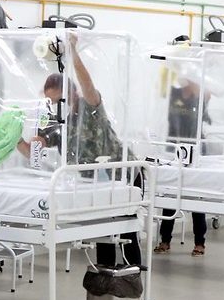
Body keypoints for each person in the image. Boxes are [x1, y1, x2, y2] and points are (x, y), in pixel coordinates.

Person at [17, 32, 141, 267]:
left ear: (71, 93)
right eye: (51, 102)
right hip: (95, 181)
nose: (54, 105)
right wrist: (14, 139)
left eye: (58, 100)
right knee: (103, 230)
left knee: (126, 230)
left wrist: (73, 51)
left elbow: (87, 84)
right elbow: (34, 152)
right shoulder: (56, 120)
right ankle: (105, 275)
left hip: (123, 174)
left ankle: (132, 275)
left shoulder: (89, 107)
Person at [154, 78, 210, 256]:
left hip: (195, 149)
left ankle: (200, 242)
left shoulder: (199, 96)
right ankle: (165, 240)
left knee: (196, 196)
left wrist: (196, 83)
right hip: (174, 147)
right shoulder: (174, 92)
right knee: (171, 194)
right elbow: (160, 92)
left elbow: (208, 95)